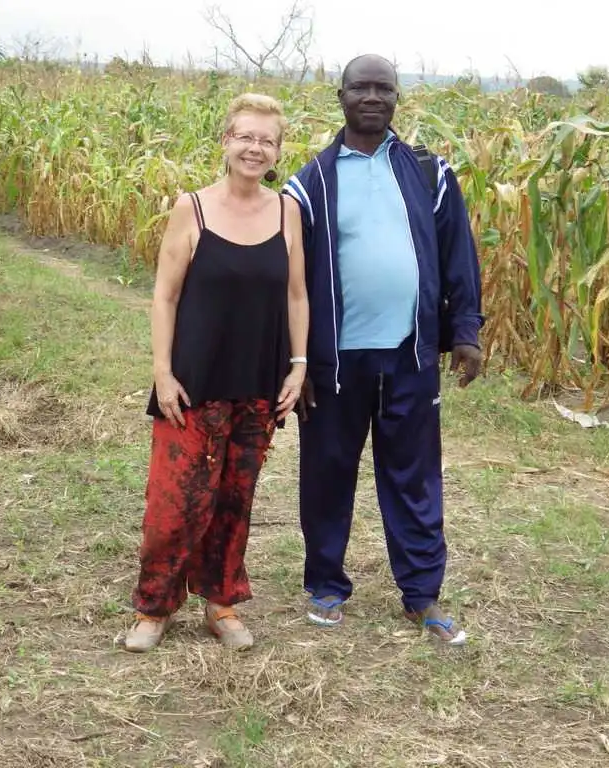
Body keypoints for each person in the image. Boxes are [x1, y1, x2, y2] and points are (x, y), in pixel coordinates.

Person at [282, 54, 484, 645]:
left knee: (415, 476)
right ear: (339, 95)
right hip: (334, 363)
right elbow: (290, 281)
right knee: (327, 472)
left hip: (410, 356)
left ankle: (421, 594)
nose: (372, 97)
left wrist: (465, 332)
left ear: (398, 97)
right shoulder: (310, 182)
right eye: (360, 88)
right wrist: (297, 363)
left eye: (384, 88)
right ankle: (325, 583)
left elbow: (457, 260)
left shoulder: (430, 174)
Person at [124, 93, 310, 653]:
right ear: (226, 141)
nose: (255, 148)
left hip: (258, 382)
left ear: (278, 151)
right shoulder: (193, 208)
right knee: (174, 503)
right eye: (245, 136)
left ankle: (221, 603)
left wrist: (298, 367)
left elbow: (297, 295)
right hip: (194, 381)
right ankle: (154, 608)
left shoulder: (286, 211)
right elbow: (165, 295)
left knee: (234, 499)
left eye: (267, 140)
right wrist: (162, 371)